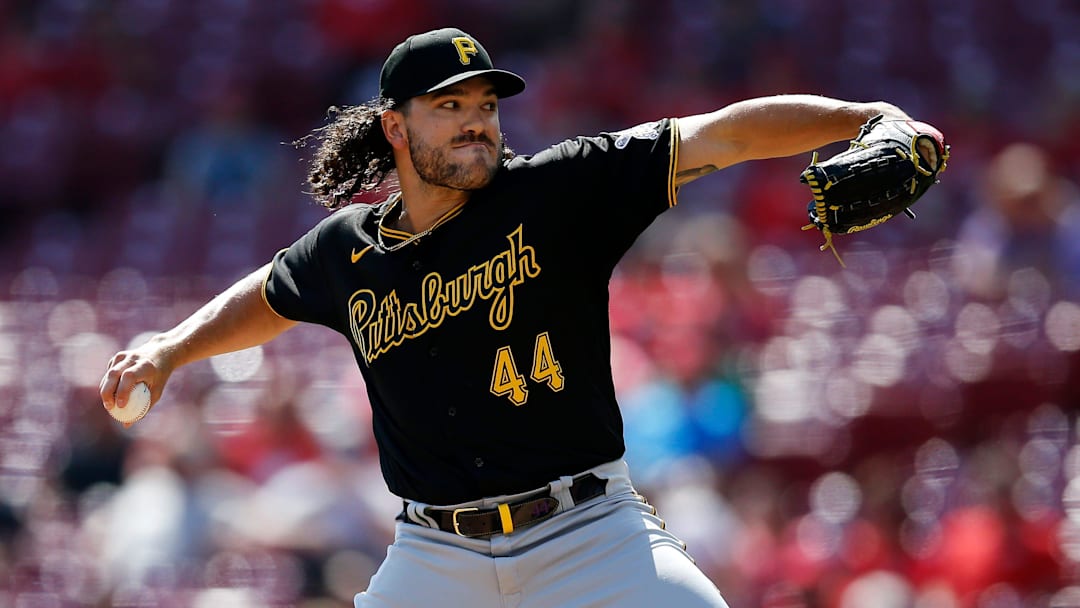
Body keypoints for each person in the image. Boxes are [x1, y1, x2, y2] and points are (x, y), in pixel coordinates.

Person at [100, 27, 916, 607]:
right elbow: (267, 295)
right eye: (449, 105)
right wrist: (169, 351)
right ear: (395, 125)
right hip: (436, 556)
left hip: (590, 537)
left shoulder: (559, 191)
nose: (477, 120)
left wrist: (864, 118)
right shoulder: (345, 251)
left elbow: (720, 136)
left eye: (486, 103)